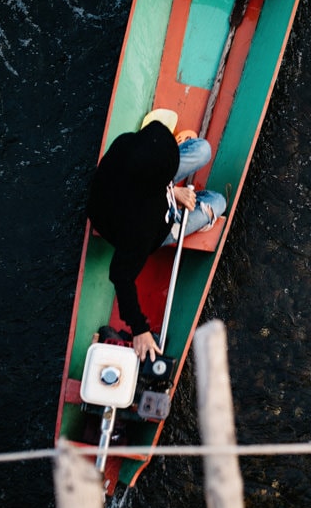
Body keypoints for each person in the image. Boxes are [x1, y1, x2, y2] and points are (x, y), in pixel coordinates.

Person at [86, 112, 226, 363]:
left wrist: (172, 190)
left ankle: (171, 181)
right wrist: (140, 329)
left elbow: (147, 189)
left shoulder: (125, 144)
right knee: (218, 202)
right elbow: (120, 274)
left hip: (122, 195)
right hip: (145, 223)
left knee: (203, 149)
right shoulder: (143, 225)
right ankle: (181, 206)